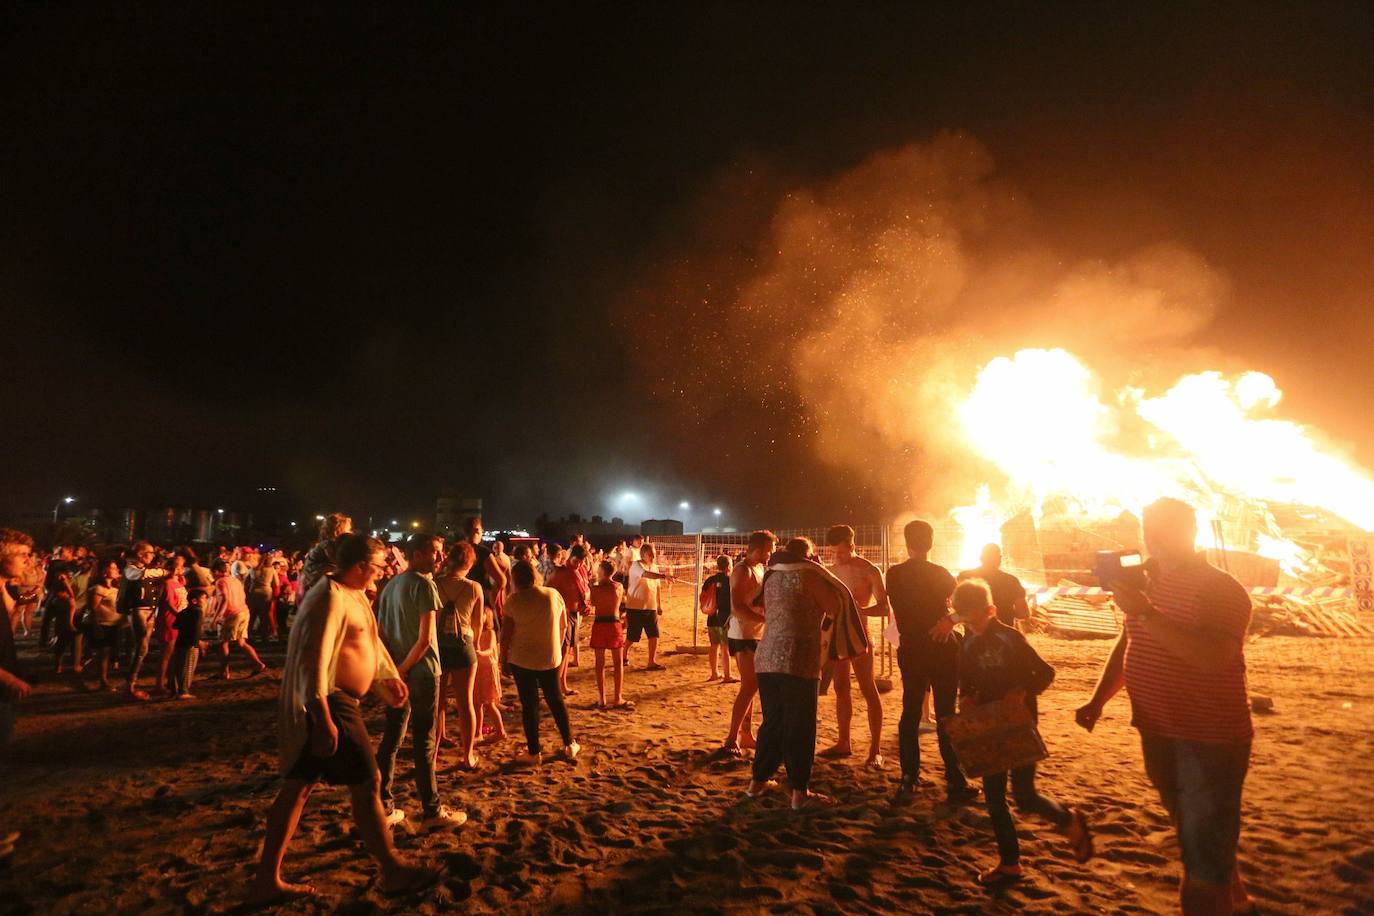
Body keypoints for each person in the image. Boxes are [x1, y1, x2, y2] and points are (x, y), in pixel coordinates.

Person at [1077, 497, 1257, 915]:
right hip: (1158, 731)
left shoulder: (1221, 589)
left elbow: (1213, 657)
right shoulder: (1149, 582)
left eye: (1163, 528)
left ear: (1190, 531)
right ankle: (1241, 905)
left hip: (1208, 740)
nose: (1152, 538)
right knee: (1199, 836)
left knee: (1201, 860)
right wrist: (1098, 699)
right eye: (1148, 528)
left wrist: (1145, 613)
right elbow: (1131, 640)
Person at [248, 534, 438, 904]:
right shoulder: (329, 598)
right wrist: (321, 716)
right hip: (331, 702)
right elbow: (313, 658)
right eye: (380, 565)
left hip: (336, 701)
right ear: (361, 566)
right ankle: (393, 869)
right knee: (368, 780)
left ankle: (266, 879)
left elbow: (369, 642)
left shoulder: (353, 594)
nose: (384, 572)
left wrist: (386, 679)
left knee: (299, 786)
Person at [952, 579, 1092, 884]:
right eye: (964, 620)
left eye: (974, 619)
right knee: (993, 798)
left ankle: (1068, 820)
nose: (970, 626)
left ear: (990, 610)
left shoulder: (1011, 639)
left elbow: (1045, 673)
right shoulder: (968, 642)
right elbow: (967, 680)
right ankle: (1010, 863)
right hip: (989, 727)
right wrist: (966, 697)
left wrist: (1022, 691)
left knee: (1025, 796)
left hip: (1018, 725)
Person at [746, 537, 844, 810]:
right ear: (808, 557)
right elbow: (835, 608)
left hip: (766, 657)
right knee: (799, 725)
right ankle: (799, 792)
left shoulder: (772, 576)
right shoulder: (809, 576)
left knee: (773, 722)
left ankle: (757, 782)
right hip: (798, 659)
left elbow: (755, 603)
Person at [375, 533, 465, 828]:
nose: (441, 558)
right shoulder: (425, 585)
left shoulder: (390, 586)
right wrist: (405, 667)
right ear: (416, 555)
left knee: (392, 739)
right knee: (424, 742)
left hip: (397, 672)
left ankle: (384, 805)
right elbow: (426, 640)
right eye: (435, 552)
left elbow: (382, 633)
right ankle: (431, 810)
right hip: (424, 672)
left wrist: (394, 669)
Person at [886, 520, 977, 806]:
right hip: (941, 649)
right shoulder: (941, 574)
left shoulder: (894, 574)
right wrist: (950, 621)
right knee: (947, 714)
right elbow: (967, 607)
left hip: (911, 648)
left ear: (906, 542)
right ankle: (955, 778)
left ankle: (909, 777)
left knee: (910, 711)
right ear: (931, 542)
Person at [822, 524, 888, 768]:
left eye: (840, 551)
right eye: (833, 552)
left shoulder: (870, 571)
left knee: (867, 687)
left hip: (860, 636)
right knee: (841, 687)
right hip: (838, 636)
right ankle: (843, 741)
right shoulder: (831, 570)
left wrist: (860, 610)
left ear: (852, 546)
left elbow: (884, 607)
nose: (836, 556)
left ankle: (875, 749)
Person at [500, 559, 578, 765]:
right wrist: (558, 649)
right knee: (556, 700)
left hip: (521, 658)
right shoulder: (552, 595)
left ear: (515, 579)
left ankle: (534, 752)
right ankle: (569, 743)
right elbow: (563, 627)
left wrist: (502, 659)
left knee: (529, 705)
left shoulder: (513, 601)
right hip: (549, 657)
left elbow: (505, 635)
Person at [723, 530, 776, 754]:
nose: (770, 554)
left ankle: (746, 735)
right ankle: (731, 738)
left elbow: (755, 600)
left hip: (756, 632)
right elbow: (737, 607)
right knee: (749, 685)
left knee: (752, 686)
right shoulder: (742, 570)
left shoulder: (759, 568)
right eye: (768, 550)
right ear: (758, 549)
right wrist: (765, 618)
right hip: (742, 634)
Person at [434, 542, 482, 770]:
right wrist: (479, 644)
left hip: (438, 647)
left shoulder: (435, 584)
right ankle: (467, 756)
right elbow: (477, 624)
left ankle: (432, 757)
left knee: (438, 702)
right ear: (470, 563)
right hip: (464, 646)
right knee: (466, 703)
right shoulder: (474, 588)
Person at [118, 541, 167, 701]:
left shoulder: (146, 569)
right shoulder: (130, 569)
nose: (152, 556)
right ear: (140, 554)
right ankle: (129, 684)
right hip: (137, 611)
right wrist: (164, 571)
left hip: (148, 611)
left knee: (142, 649)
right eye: (150, 552)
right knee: (142, 647)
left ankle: (131, 682)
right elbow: (143, 575)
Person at [0, 529, 35, 746]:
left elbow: (19, 603)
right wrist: (9, 680)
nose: (28, 560)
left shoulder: (6, 590)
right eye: (21, 554)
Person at [212, 560, 267, 680]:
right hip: (243, 612)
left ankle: (224, 672)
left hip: (232, 614)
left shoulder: (221, 582)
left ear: (216, 571)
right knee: (241, 642)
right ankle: (258, 664)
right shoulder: (235, 580)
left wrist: (216, 617)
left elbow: (224, 600)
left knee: (223, 642)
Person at [546, 544, 590, 693]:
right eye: (577, 561)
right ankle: (554, 688)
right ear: (570, 557)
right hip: (562, 616)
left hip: (573, 614)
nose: (579, 564)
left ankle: (562, 685)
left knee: (567, 652)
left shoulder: (579, 571)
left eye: (582, 561)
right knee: (562, 652)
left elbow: (582, 590)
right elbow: (547, 589)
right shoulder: (561, 573)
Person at [623, 542, 674, 671]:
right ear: (643, 554)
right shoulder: (636, 565)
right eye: (650, 555)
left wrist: (659, 604)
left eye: (654, 555)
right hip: (636, 607)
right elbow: (646, 574)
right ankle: (623, 655)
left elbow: (657, 587)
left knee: (654, 635)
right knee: (632, 636)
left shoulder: (654, 567)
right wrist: (664, 576)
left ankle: (651, 661)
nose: (653, 557)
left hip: (650, 607)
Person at [588, 559, 631, 709]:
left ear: (601, 572)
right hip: (614, 624)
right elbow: (622, 603)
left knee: (600, 664)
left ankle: (602, 699)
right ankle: (618, 697)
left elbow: (593, 603)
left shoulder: (595, 589)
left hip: (599, 624)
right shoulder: (618, 587)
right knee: (618, 663)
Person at [958, 544, 1029, 627]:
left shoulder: (965, 577)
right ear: (999, 559)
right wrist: (1006, 612)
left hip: (974, 634)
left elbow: (958, 606)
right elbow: (1023, 613)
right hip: (1003, 634)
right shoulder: (1011, 581)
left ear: (981, 558)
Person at [85, 560, 123, 691]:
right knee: (102, 654)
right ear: (104, 572)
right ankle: (102, 680)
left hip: (114, 624)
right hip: (102, 624)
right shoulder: (98, 589)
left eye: (116, 567)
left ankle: (95, 676)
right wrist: (96, 626)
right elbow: (93, 608)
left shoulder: (115, 588)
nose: (116, 569)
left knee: (106, 654)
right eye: (113, 567)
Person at [471, 607, 507, 744]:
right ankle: (478, 732)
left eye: (482, 615)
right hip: (478, 669)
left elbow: (491, 650)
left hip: (487, 669)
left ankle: (500, 731)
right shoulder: (474, 632)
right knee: (477, 703)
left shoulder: (490, 633)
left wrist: (480, 652)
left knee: (490, 704)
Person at [156, 555, 189, 694]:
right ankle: (159, 684)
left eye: (181, 566)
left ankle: (170, 680)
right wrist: (181, 617)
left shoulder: (179, 582)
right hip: (170, 620)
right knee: (166, 654)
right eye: (176, 566)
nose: (179, 569)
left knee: (174, 653)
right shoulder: (168, 583)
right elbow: (169, 604)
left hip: (178, 620)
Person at [301, 513, 353, 597]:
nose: (351, 532)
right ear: (338, 530)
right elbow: (337, 562)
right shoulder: (327, 545)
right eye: (349, 529)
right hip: (315, 585)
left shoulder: (328, 545)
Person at [700, 555, 734, 682]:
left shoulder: (710, 580)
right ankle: (727, 675)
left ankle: (714, 673)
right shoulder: (730, 580)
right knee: (725, 647)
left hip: (712, 617)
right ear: (728, 566)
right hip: (724, 618)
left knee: (714, 646)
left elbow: (702, 597)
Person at [171, 586, 206, 699]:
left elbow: (175, 625)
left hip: (180, 642)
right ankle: (183, 691)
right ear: (194, 601)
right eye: (203, 598)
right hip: (190, 645)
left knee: (179, 667)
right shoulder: (198, 611)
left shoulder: (184, 612)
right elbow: (196, 629)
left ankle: (176, 690)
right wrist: (197, 642)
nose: (205, 601)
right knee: (188, 668)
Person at [248, 553, 279, 639]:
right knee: (264, 615)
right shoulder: (271, 570)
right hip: (266, 593)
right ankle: (264, 636)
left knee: (252, 615)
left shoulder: (252, 570)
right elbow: (276, 583)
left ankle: (248, 635)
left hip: (253, 593)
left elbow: (247, 583)